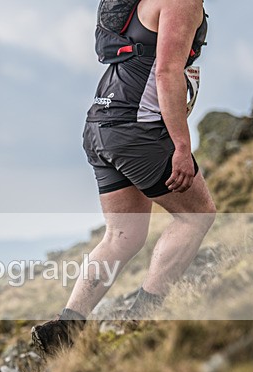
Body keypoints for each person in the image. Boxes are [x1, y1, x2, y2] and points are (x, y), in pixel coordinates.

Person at [32, 0, 216, 353]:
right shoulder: (182, 2)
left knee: (123, 235)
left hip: (101, 124)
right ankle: (143, 316)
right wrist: (181, 145)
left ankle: (66, 328)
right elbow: (166, 72)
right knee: (197, 215)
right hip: (137, 130)